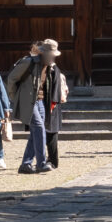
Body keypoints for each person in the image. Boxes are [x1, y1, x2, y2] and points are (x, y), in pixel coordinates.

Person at [8, 38, 67, 173]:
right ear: (43, 53)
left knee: (37, 131)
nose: (53, 58)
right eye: (51, 55)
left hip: (40, 101)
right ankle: (41, 163)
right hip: (28, 101)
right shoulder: (28, 62)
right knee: (39, 127)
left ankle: (25, 164)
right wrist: (15, 98)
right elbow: (11, 79)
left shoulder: (49, 66)